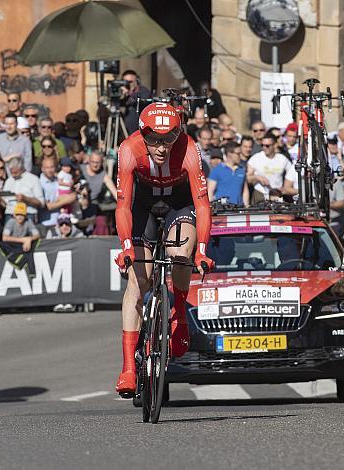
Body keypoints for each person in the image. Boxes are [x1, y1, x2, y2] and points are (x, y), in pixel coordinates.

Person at [113, 102, 215, 395]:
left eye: (168, 138)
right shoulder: (129, 149)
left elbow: (202, 204)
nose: (161, 147)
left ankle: (179, 314)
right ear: (142, 134)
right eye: (154, 139)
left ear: (178, 134)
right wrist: (127, 246)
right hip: (142, 205)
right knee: (138, 280)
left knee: (181, 255)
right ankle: (128, 369)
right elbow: (122, 205)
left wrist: (203, 250)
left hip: (178, 203)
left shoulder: (190, 149)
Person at [247, 133, 298, 203]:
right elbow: (247, 178)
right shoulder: (255, 158)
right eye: (262, 145)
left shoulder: (282, 159)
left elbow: (292, 174)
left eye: (267, 146)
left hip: (277, 194)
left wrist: (286, 189)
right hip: (260, 193)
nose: (264, 148)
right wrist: (257, 177)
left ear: (275, 145)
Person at [1, 157, 44, 223]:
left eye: (15, 172)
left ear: (21, 169)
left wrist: (25, 199)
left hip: (27, 214)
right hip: (10, 214)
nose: (13, 175)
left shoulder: (33, 179)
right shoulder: (9, 181)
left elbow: (41, 203)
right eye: (11, 172)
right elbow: (5, 203)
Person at [208, 141, 249, 206]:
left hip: (239, 209)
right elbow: (210, 192)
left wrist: (246, 206)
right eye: (238, 154)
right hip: (222, 209)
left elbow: (245, 190)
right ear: (229, 154)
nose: (240, 156)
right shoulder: (217, 170)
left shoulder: (242, 169)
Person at [120, 69, 153, 135]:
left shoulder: (144, 91)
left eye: (130, 82)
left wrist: (129, 93)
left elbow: (141, 102)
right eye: (125, 82)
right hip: (125, 130)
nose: (128, 84)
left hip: (140, 129)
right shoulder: (124, 92)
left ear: (137, 81)